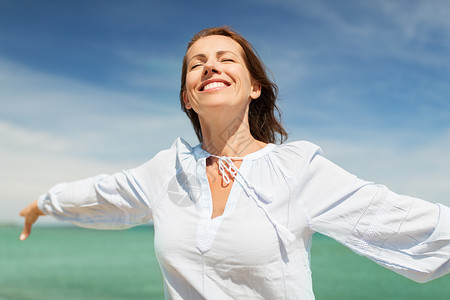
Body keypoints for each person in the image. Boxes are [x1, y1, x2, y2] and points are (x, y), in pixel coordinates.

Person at [19, 26, 449, 299]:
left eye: (226, 59)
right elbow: (98, 194)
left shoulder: (297, 170)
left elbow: (401, 219)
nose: (210, 67)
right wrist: (41, 204)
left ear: (254, 88)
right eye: (196, 64)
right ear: (188, 96)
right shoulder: (167, 170)